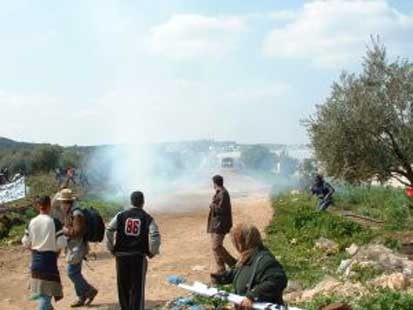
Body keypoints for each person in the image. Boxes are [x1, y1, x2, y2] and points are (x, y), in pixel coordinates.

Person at [106, 191, 161, 310]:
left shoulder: (120, 215)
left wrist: (111, 248)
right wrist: (152, 252)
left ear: (131, 202)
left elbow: (109, 229)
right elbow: (155, 235)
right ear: (143, 202)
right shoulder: (147, 217)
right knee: (137, 288)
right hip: (138, 257)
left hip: (121, 257)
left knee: (123, 287)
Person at [211, 224, 288, 309]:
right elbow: (240, 272)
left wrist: (253, 296)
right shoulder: (249, 256)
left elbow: (278, 279)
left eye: (236, 242)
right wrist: (220, 278)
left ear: (244, 242)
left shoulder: (264, 259)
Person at [22, 195, 67, 310]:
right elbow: (61, 243)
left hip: (36, 263)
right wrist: (56, 251)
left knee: (42, 293)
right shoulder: (54, 222)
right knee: (46, 296)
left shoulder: (31, 222)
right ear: (49, 206)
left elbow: (25, 242)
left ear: (38, 206)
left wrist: (34, 250)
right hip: (49, 263)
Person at [58, 189, 98, 307]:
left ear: (67, 202)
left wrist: (64, 230)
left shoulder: (76, 214)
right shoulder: (71, 212)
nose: (61, 205)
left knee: (72, 273)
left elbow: (78, 231)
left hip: (77, 247)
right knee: (75, 272)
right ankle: (81, 297)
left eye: (62, 202)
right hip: (74, 247)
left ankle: (89, 290)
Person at [207, 175, 237, 279]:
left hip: (220, 225)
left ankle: (233, 263)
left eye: (213, 183)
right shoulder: (219, 193)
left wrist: (212, 206)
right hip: (215, 224)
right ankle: (221, 270)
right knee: (214, 248)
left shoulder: (223, 193)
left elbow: (222, 209)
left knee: (216, 246)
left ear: (215, 183)